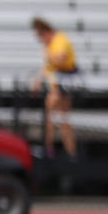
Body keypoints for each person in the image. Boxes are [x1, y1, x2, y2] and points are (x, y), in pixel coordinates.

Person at [30, 17, 77, 159]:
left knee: (52, 115)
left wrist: (50, 55)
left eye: (41, 36)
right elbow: (47, 67)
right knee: (59, 119)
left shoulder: (60, 39)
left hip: (64, 85)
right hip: (56, 86)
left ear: (46, 32)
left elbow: (61, 58)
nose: (41, 40)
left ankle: (53, 150)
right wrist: (38, 81)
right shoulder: (49, 45)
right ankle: (67, 151)